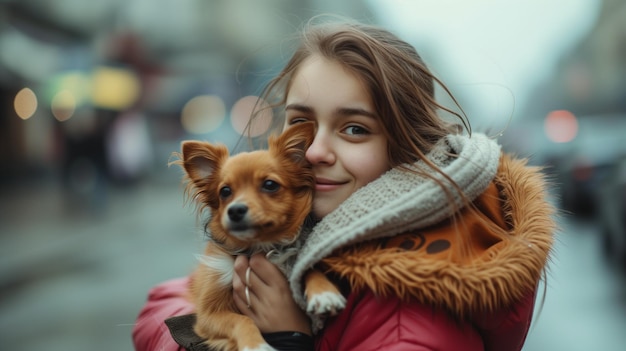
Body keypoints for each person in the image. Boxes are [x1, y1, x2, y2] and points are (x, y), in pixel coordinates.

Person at [133, 18, 556, 351]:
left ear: (406, 148)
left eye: (354, 129)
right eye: (301, 122)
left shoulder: (407, 319)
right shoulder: (314, 235)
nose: (314, 150)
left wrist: (288, 340)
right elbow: (163, 303)